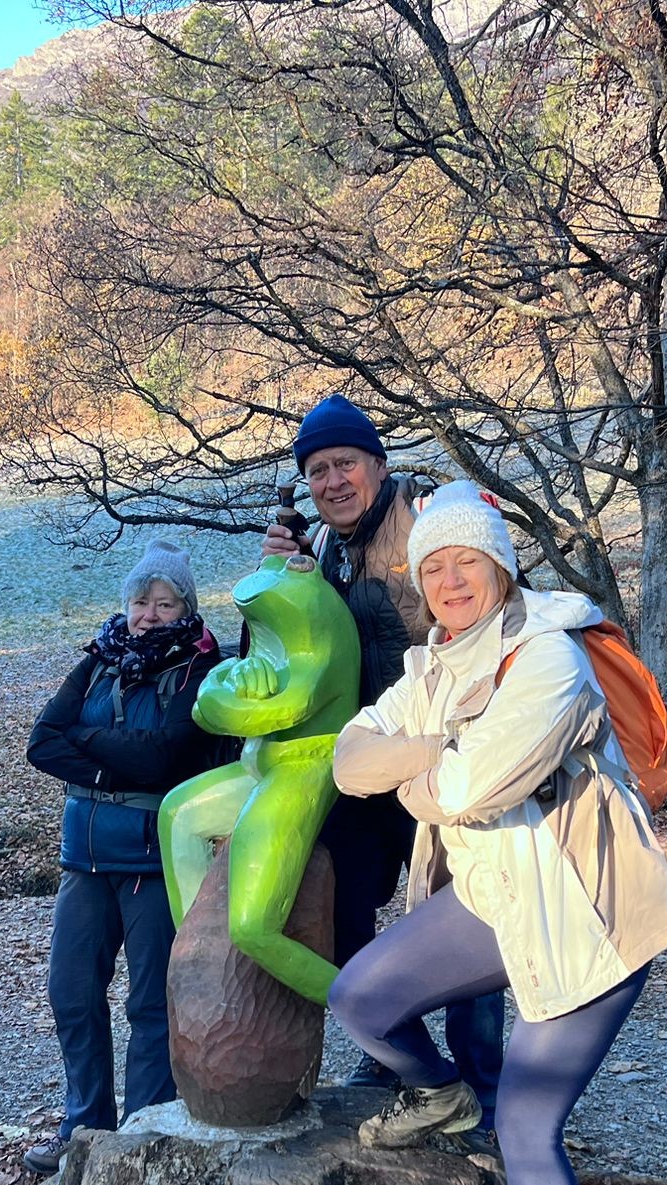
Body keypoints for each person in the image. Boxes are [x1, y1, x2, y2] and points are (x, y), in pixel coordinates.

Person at [326, 483, 667, 1185]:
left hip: (588, 914)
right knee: (363, 997)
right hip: (496, 895)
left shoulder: (551, 662)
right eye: (433, 566)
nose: (449, 580)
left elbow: (473, 791)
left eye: (467, 563)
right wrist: (431, 748)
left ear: (500, 566)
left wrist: (420, 761)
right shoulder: (436, 664)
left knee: (526, 1125)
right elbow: (348, 760)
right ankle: (438, 1094)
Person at [262, 394, 505, 1126]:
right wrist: (288, 584)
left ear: (378, 464)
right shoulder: (329, 548)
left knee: (459, 918)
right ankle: (403, 1057)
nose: (332, 481)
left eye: (345, 464)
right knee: (343, 905)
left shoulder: (425, 519)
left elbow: (486, 603)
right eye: (317, 471)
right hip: (371, 765)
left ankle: (483, 1090)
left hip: (438, 754)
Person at [21, 540, 223, 1175]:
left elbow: (166, 756)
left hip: (151, 859)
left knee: (150, 1002)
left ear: (184, 607)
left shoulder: (200, 666)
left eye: (165, 603)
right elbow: (42, 743)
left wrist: (91, 746)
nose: (150, 614)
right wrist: (119, 756)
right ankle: (84, 1126)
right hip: (83, 858)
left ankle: (143, 1130)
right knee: (71, 994)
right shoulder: (99, 659)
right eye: (141, 601)